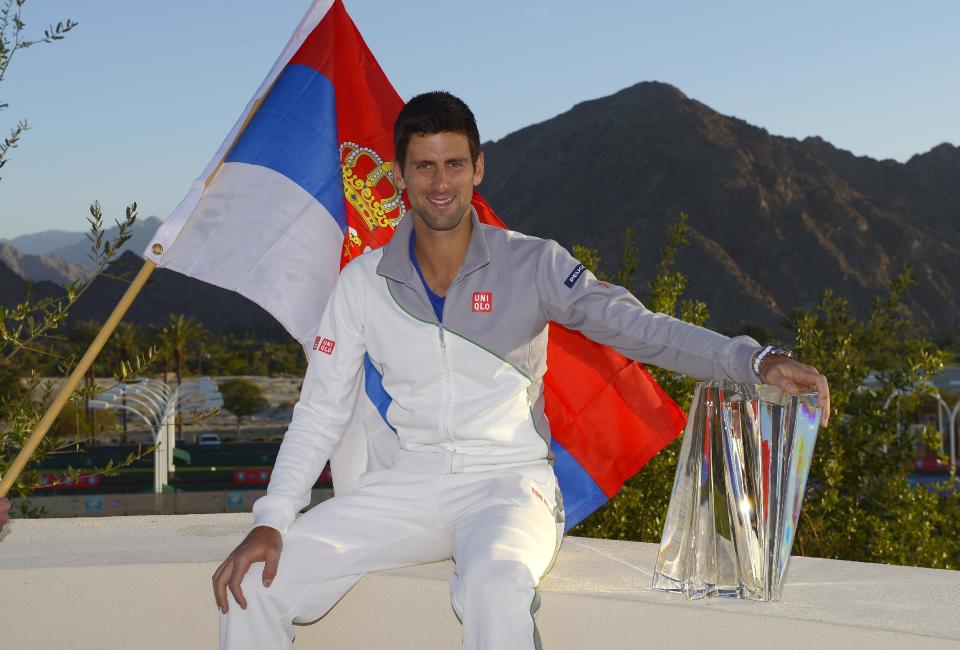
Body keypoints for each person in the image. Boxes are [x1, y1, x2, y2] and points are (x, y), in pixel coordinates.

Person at [213, 91, 830, 649]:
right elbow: (320, 410)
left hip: (510, 487)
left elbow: (641, 330)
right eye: (423, 165)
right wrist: (272, 520)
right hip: (407, 486)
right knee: (251, 587)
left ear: (477, 168)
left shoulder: (534, 263)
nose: (439, 182)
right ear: (398, 175)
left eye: (454, 163)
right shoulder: (361, 284)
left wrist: (755, 360)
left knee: (493, 587)